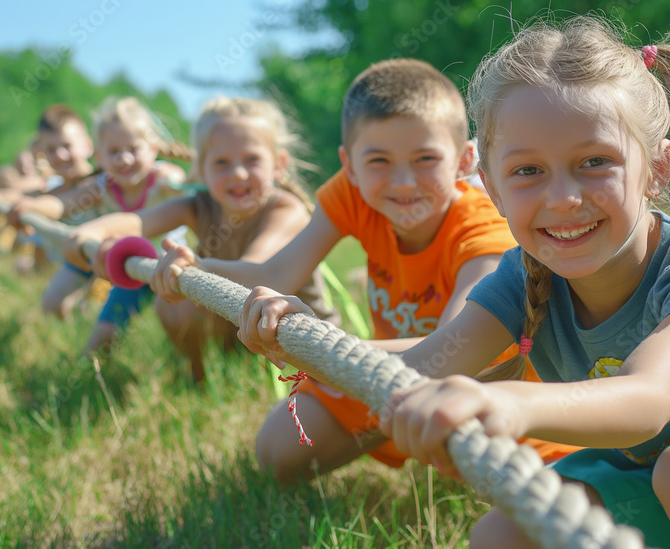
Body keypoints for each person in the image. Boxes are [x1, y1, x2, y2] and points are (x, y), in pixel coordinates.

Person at [366, 17, 670, 548]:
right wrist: (302, 340)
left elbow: (648, 400)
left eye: (594, 162)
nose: (563, 197)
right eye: (527, 171)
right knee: (500, 536)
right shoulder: (522, 276)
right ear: (491, 186)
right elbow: (429, 361)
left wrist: (513, 405)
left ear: (657, 169)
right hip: (642, 470)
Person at [154, 59, 579, 482]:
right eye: (379, 161)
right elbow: (277, 273)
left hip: (484, 389)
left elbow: (447, 356)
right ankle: (391, 428)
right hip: (389, 373)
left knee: (535, 499)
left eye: (425, 158)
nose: (403, 182)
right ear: (350, 166)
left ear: (464, 160)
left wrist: (316, 347)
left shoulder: (482, 230)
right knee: (278, 450)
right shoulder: (352, 194)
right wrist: (196, 267)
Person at [65, 96, 338, 382]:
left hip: (303, 343)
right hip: (243, 328)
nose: (238, 173)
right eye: (221, 162)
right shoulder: (199, 205)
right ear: (201, 169)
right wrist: (92, 232)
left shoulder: (285, 210)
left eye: (252, 159)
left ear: (278, 164)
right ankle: (199, 379)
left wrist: (198, 266)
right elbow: (139, 220)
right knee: (171, 299)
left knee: (183, 280)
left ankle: (236, 376)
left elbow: (263, 275)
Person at [11, 96, 190, 360]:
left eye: (133, 148)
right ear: (100, 157)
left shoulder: (162, 181)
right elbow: (61, 206)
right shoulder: (100, 187)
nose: (124, 158)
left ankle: (189, 375)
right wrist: (31, 207)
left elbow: (182, 183)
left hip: (166, 268)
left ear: (153, 149)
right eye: (114, 151)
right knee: (97, 340)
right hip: (125, 268)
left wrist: (174, 182)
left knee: (184, 332)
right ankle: (79, 356)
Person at [0, 104, 98, 316]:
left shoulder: (100, 182)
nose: (60, 155)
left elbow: (61, 203)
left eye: (67, 146)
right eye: (52, 149)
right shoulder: (57, 189)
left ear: (87, 146)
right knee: (51, 307)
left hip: (106, 262)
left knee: (92, 309)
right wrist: (7, 201)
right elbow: (38, 198)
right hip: (77, 261)